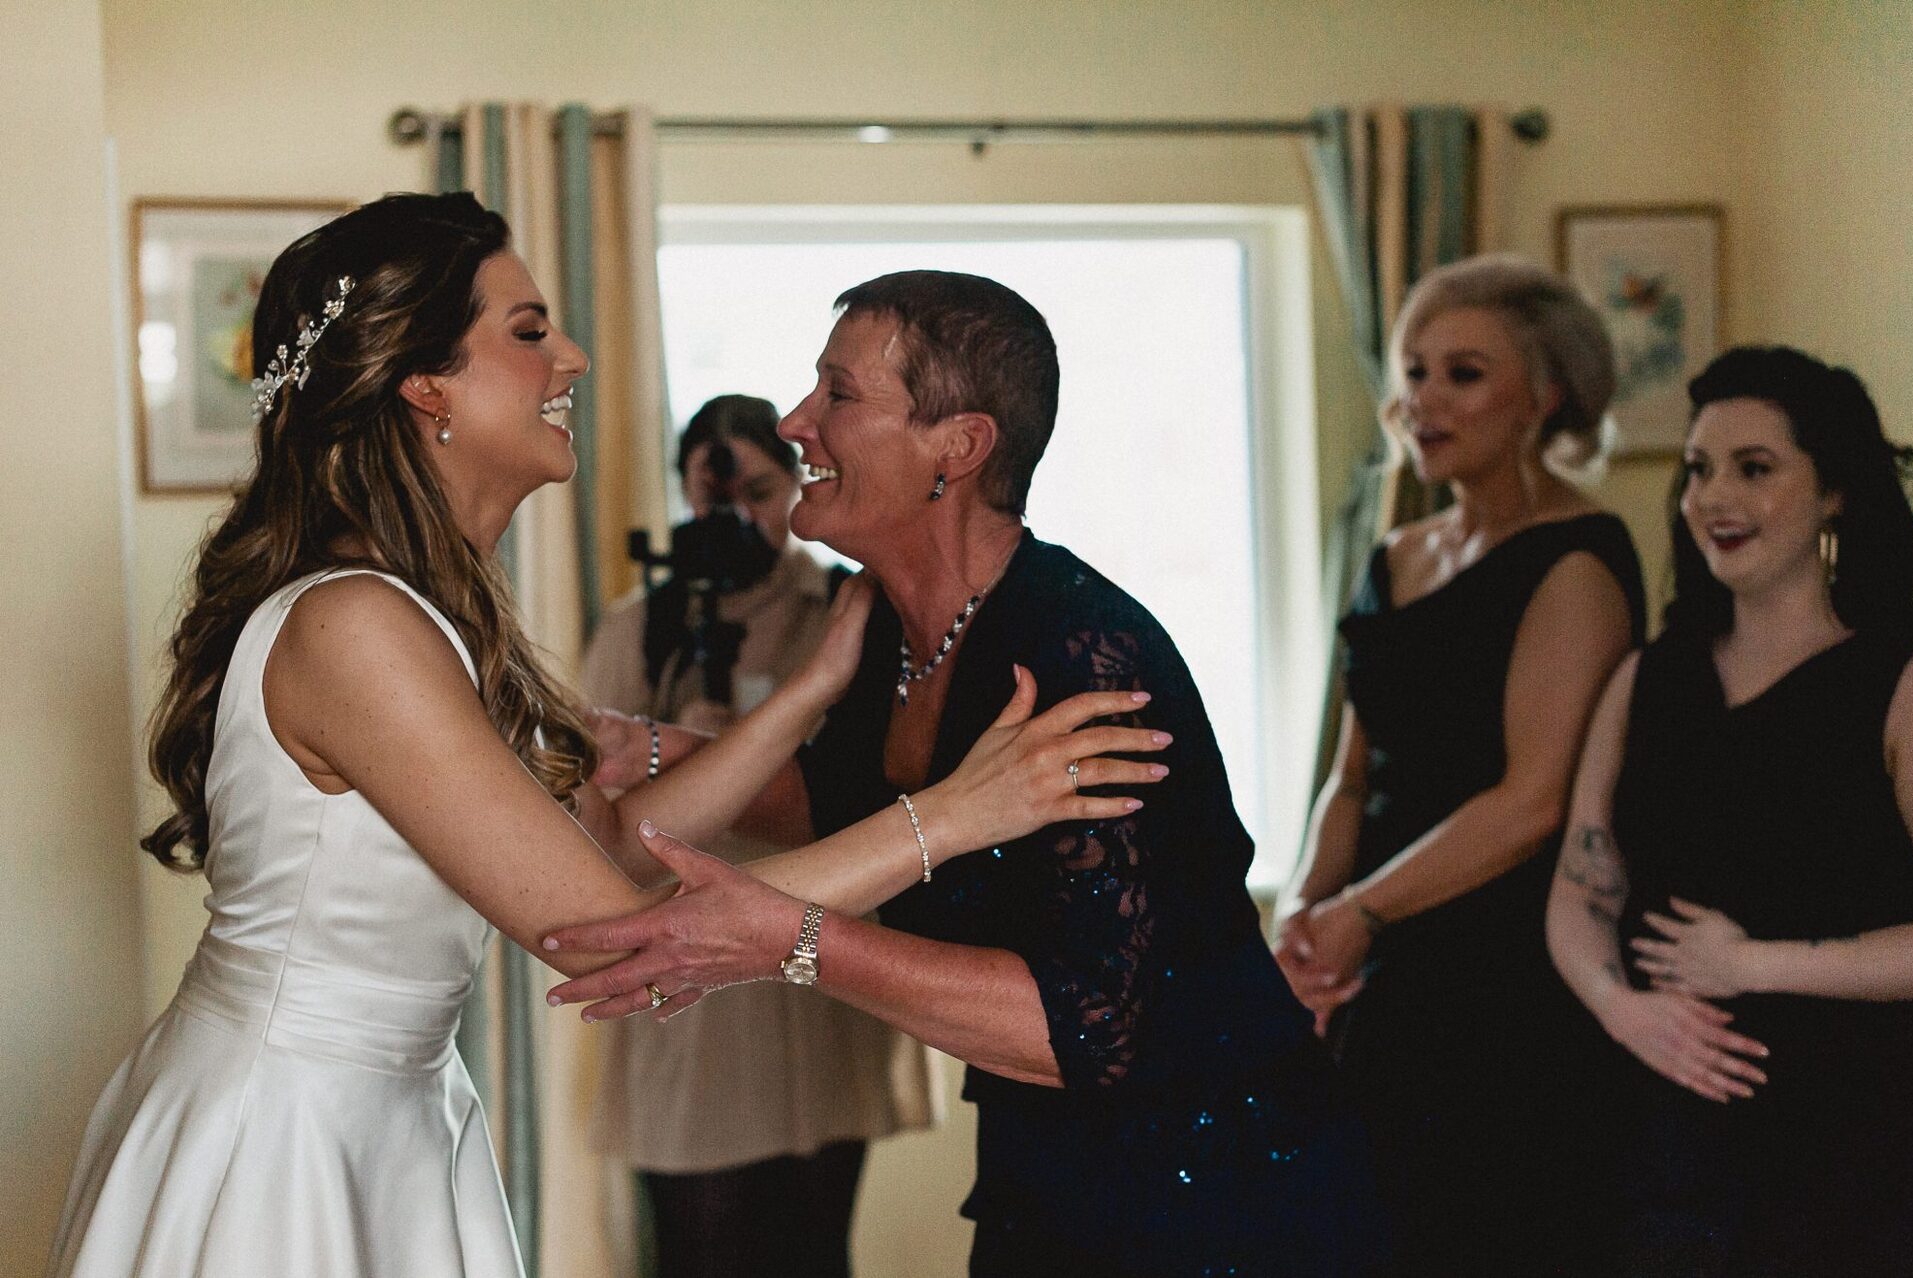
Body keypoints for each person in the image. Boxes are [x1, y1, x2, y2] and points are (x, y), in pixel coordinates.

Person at [46, 196, 1168, 1278]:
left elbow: (621, 844)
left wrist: (811, 687)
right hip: (287, 1135)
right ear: (424, 385)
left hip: (393, 1113)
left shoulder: (428, 607)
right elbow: (617, 936)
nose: (572, 359)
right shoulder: (354, 626)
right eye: (529, 333)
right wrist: (956, 816)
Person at [544, 270, 1385, 1277]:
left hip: (1218, 1194)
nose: (795, 423)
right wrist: (650, 747)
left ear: (960, 447)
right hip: (1046, 1172)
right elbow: (831, 807)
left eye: (838, 397)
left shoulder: (1083, 661)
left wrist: (795, 944)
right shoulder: (887, 635)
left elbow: (1095, 1026)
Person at [1273, 254, 1645, 1274]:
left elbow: (1533, 803)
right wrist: (1302, 917)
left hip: (1506, 976)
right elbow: (1351, 777)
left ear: (1546, 394)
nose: (1425, 400)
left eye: (1465, 374)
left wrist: (1361, 914)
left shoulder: (1578, 559)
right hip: (1376, 970)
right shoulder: (1397, 554)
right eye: (1417, 371)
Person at [1547, 346, 1913, 1276]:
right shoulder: (1646, 676)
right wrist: (1622, 1009)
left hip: (1848, 1132)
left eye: (1755, 469)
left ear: (1834, 492)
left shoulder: (1900, 682)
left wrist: (1752, 963)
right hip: (1654, 1118)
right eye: (1700, 469)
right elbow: (1581, 889)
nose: (1716, 496)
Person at [580, 394, 930, 1278]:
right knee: (698, 1251)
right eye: (712, 496)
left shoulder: (847, 610)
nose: (737, 517)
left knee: (815, 1251)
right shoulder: (638, 629)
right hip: (695, 1004)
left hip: (819, 984)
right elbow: (589, 816)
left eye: (762, 493)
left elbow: (879, 784)